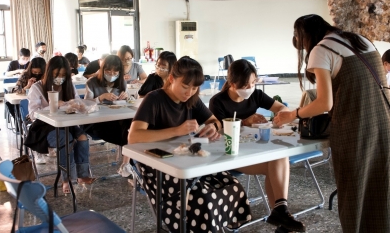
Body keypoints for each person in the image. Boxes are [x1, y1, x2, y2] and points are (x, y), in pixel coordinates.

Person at [274, 14, 390, 233]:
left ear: (305, 36)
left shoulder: (321, 49)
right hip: (382, 122)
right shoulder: (359, 39)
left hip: (354, 129)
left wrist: (293, 114)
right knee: (380, 188)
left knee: (354, 192)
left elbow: (324, 103)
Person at [129, 56, 252, 232]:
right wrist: (177, 131)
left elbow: (215, 121)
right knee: (199, 196)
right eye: (185, 87)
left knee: (231, 185)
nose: (189, 92)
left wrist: (213, 127)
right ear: (171, 79)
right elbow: (134, 137)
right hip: (157, 164)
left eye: (194, 88)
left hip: (186, 160)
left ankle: (215, 227)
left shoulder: (192, 100)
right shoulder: (154, 99)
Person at [209, 59, 306, 233]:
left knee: (280, 154)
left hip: (257, 150)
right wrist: (245, 121)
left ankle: (281, 211)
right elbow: (221, 131)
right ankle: (282, 217)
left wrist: (280, 117)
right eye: (246, 84)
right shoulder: (218, 102)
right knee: (275, 160)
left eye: (254, 82)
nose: (251, 87)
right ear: (232, 84)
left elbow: (281, 107)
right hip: (232, 155)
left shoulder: (256, 95)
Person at [25, 56, 97, 194]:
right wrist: (52, 106)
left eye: (64, 75)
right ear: (49, 72)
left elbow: (77, 102)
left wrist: (78, 105)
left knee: (82, 137)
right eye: (56, 74)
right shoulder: (37, 87)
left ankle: (82, 175)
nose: (60, 78)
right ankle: (66, 179)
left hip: (68, 124)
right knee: (66, 139)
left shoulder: (68, 86)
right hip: (45, 128)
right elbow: (33, 114)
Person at [83, 55, 132, 176]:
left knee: (131, 126)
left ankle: (127, 164)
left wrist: (127, 98)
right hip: (97, 123)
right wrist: (100, 98)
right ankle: (127, 164)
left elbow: (131, 102)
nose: (111, 74)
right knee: (130, 135)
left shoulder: (122, 83)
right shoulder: (92, 82)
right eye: (108, 71)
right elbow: (85, 106)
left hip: (117, 121)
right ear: (102, 69)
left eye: (115, 71)